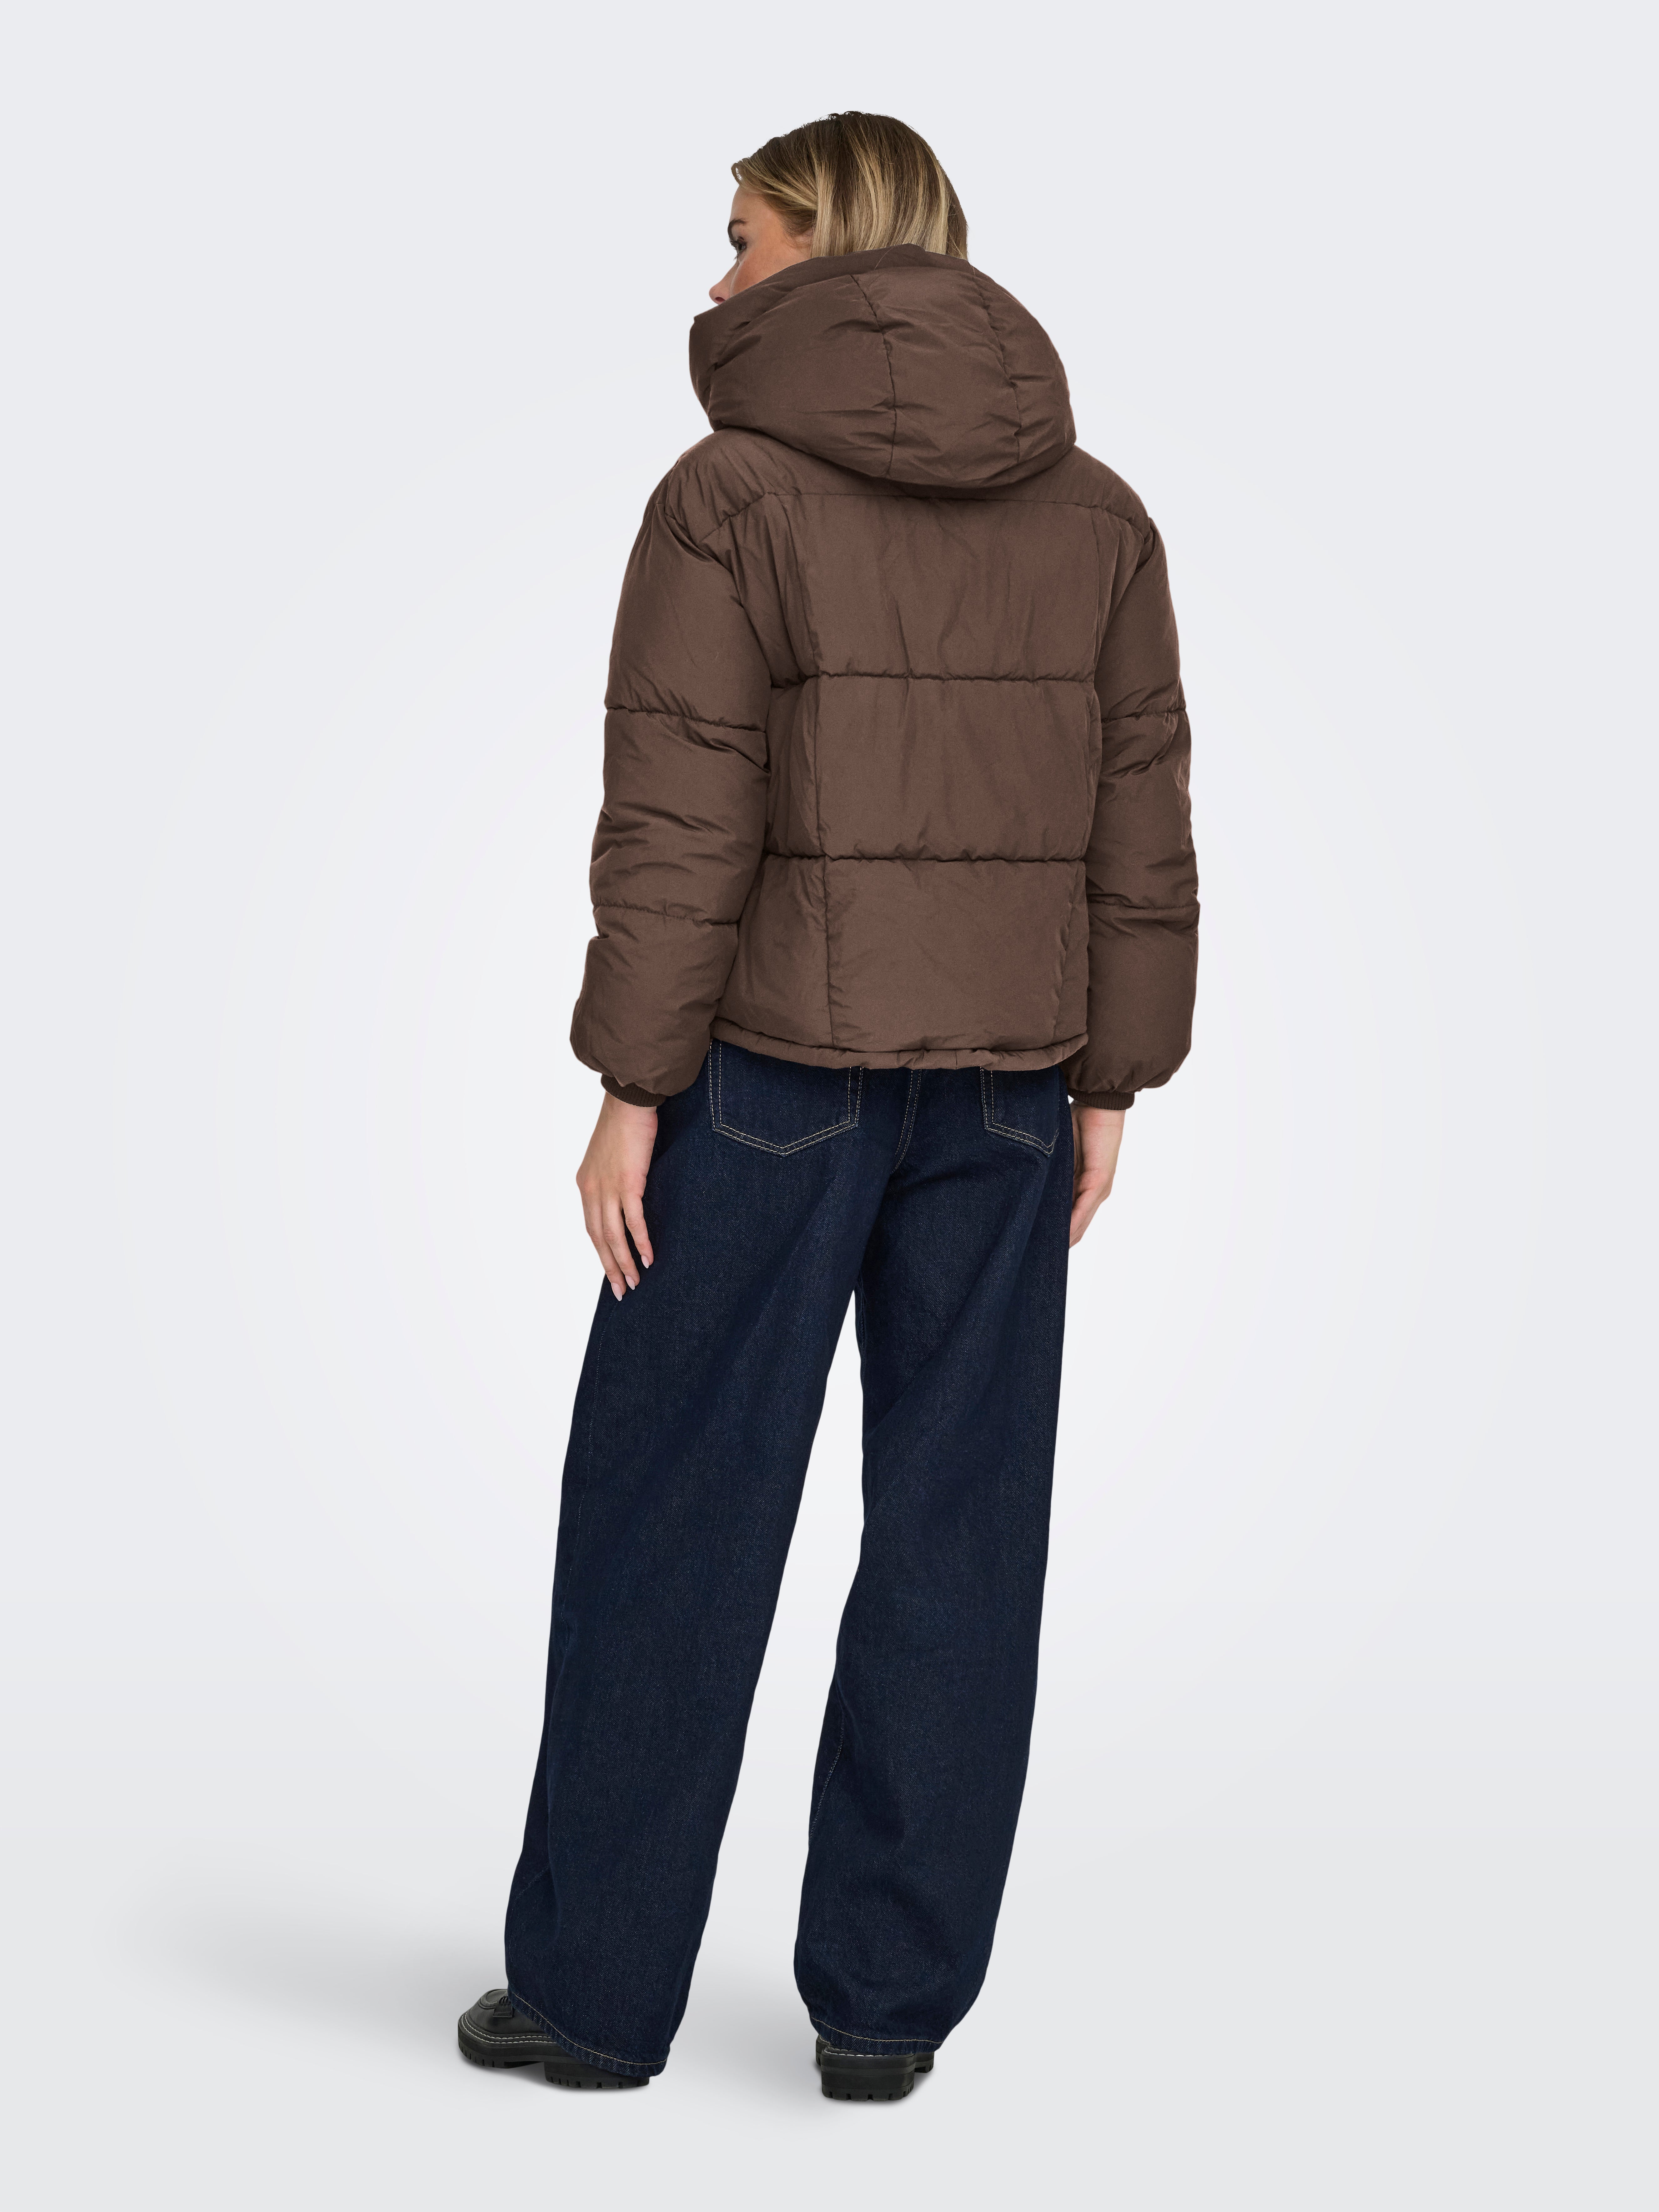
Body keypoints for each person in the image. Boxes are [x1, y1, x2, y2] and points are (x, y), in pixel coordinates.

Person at [458, 111, 1197, 2101]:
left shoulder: (728, 494)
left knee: (672, 1513)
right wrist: (1109, 1077)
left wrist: (633, 1085)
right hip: (1011, 1097)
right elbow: (1141, 815)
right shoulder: (1102, 514)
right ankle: (886, 2011)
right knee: (962, 1534)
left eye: (741, 237)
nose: (717, 281)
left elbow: (679, 816)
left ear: (826, 244)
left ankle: (596, 1998)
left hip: (771, 1076)